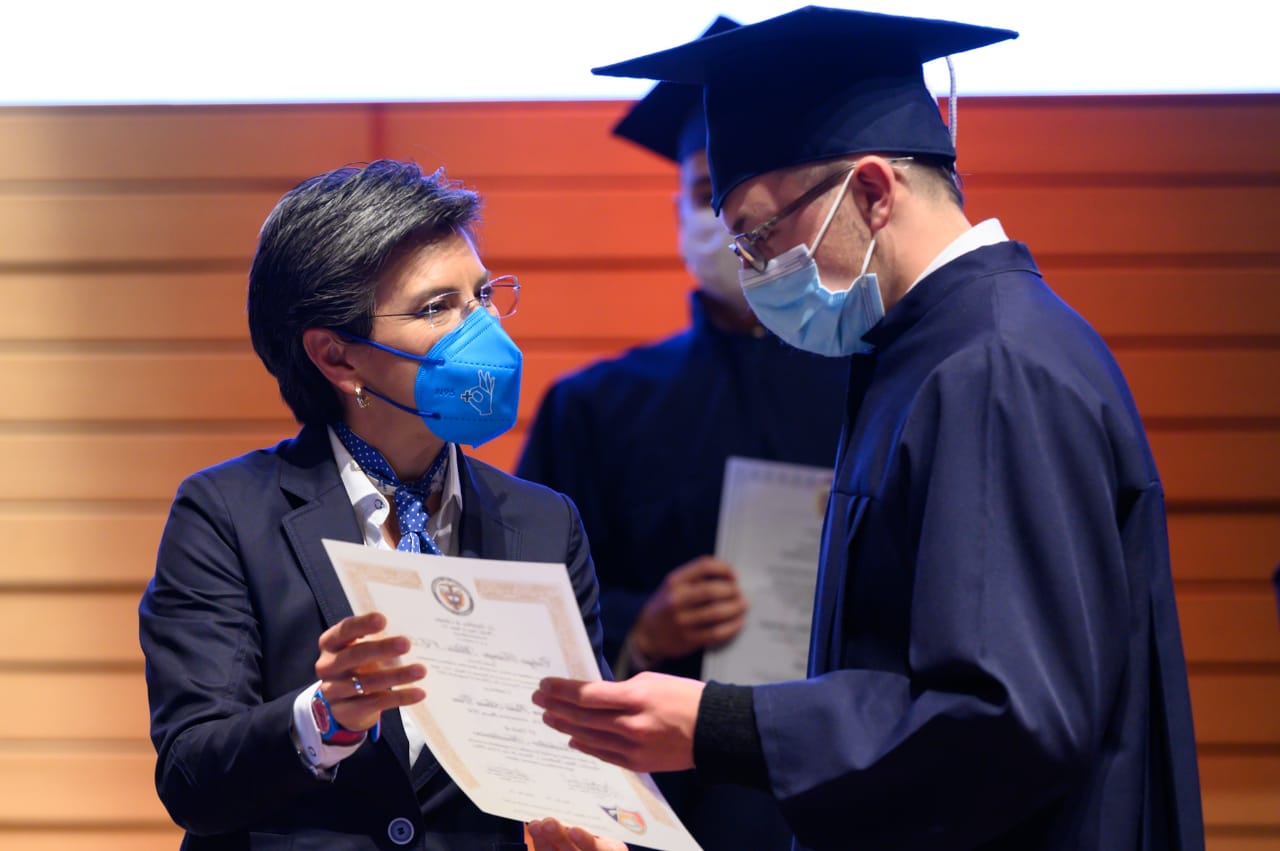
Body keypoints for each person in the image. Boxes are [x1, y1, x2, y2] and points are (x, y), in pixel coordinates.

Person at [527, 7, 1205, 851]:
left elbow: (1007, 715)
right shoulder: (924, 349)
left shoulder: (991, 367)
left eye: (761, 234)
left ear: (875, 192)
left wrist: (723, 721)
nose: (756, 271)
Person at [138, 159, 611, 850]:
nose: (480, 331)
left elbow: (574, 758)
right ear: (338, 357)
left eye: (481, 296)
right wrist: (324, 719)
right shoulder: (225, 514)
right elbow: (191, 776)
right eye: (436, 307)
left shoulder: (544, 523)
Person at [516, 16, 844, 851]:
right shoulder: (597, 405)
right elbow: (526, 611)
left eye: (750, 191)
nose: (730, 218)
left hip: (845, 781)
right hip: (661, 800)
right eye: (705, 192)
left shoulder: (881, 384)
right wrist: (643, 626)